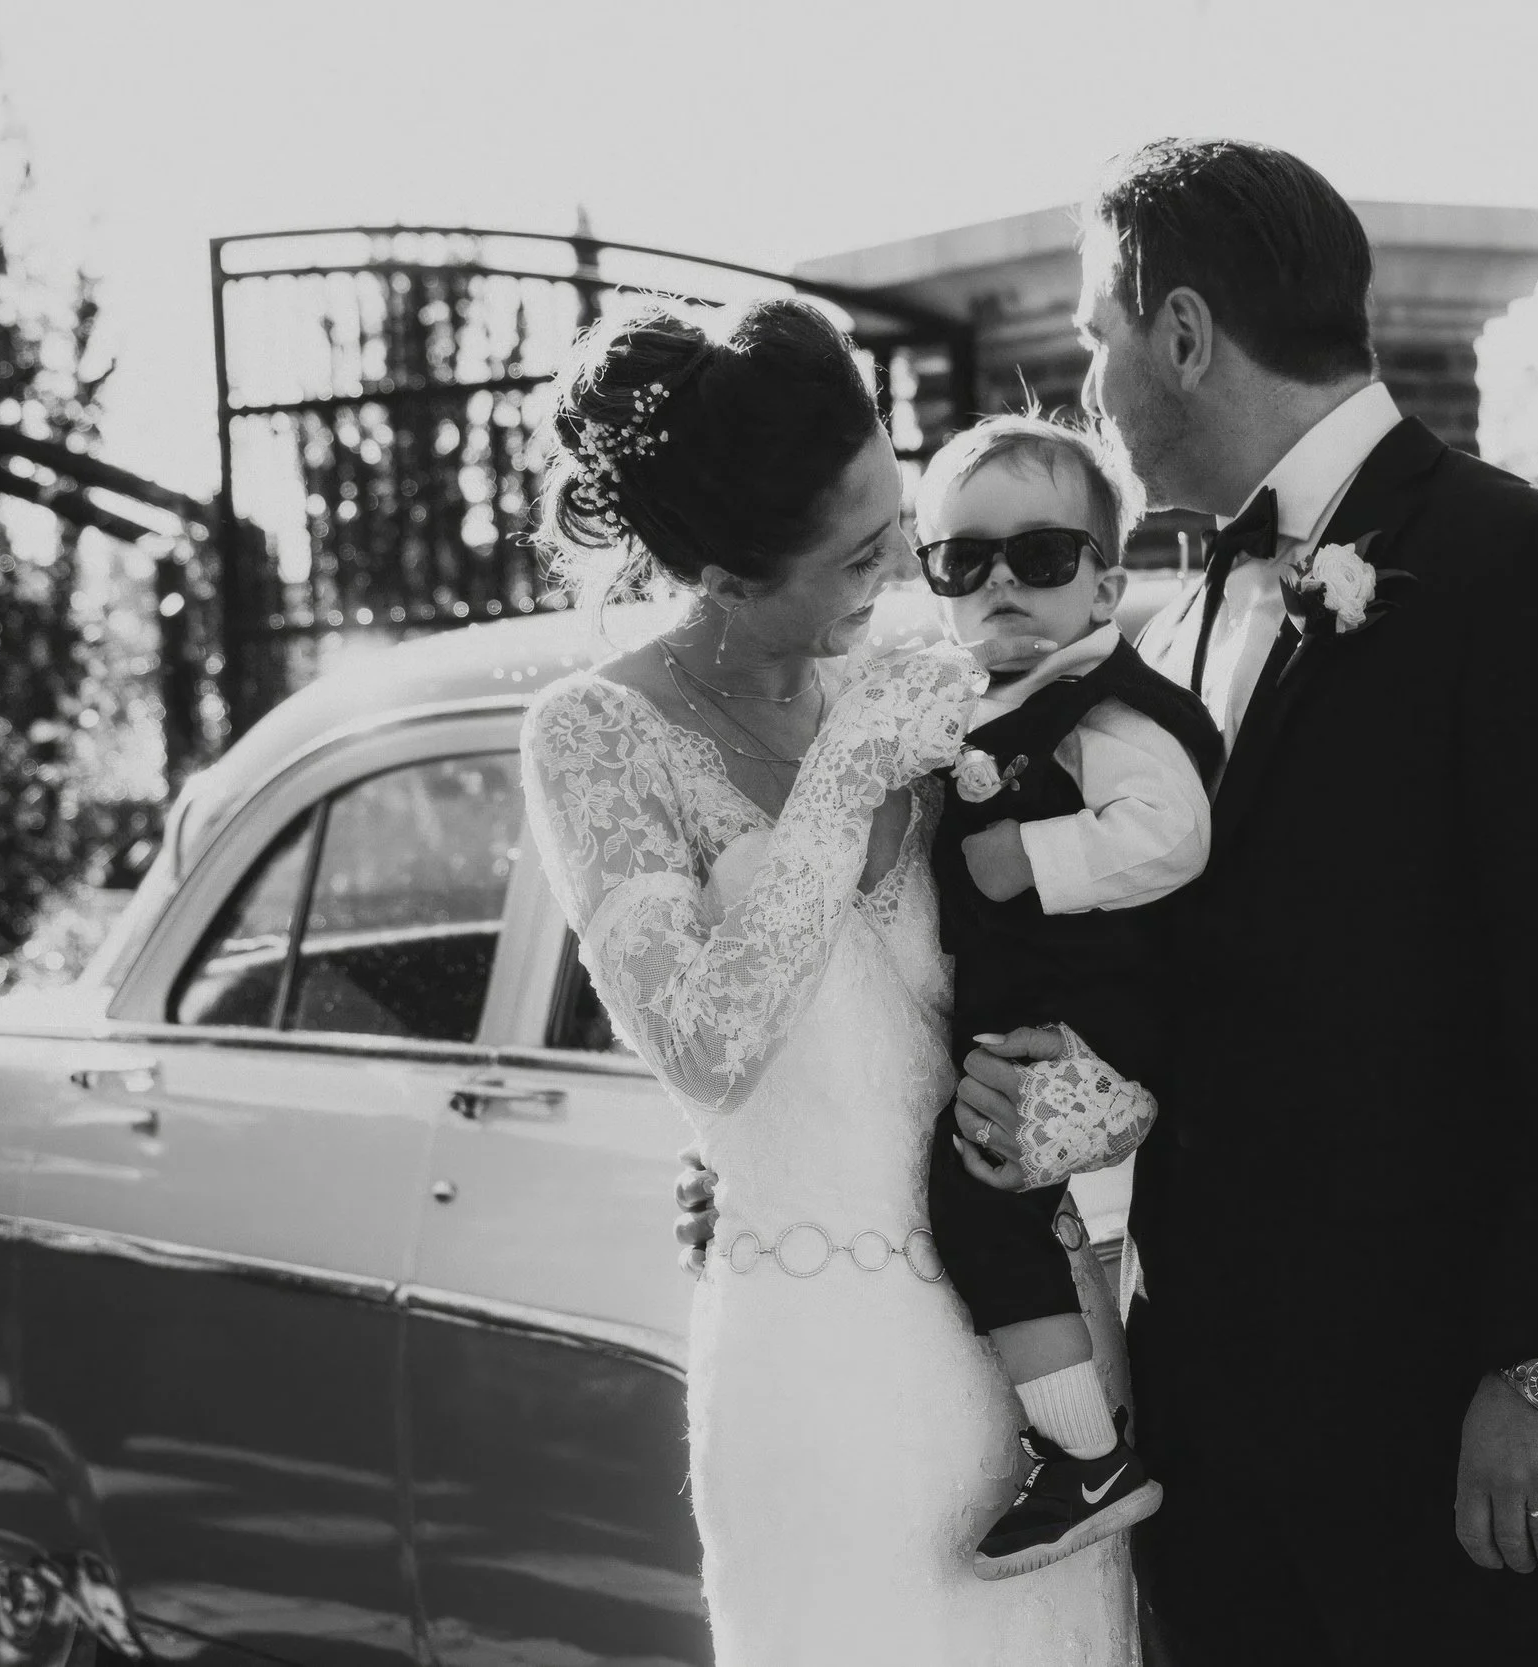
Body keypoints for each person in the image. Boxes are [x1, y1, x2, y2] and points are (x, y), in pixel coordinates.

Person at [945, 139, 1538, 1662]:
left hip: (1442, 1430)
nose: (1089, 383)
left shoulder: (1520, 565)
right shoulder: (1164, 619)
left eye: (1099, 337)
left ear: (1181, 332)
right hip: (1216, 1434)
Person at [519, 297, 1148, 1666]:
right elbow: (708, 1045)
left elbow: (1096, 953)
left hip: (1030, 1355)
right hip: (816, 1370)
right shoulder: (595, 735)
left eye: (897, 536)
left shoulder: (936, 692)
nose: (901, 585)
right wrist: (848, 772)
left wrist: (1107, 1099)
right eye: (862, 555)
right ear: (735, 573)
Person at [911, 414, 1222, 1578]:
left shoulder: (1102, 707)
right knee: (988, 1198)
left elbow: (1174, 833)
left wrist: (1027, 856)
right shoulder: (991, 704)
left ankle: (1085, 1454)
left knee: (972, 1195)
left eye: (1039, 557)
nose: (1001, 583)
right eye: (963, 560)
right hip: (1047, 1030)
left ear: (1105, 581)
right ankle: (1080, 1437)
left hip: (1099, 1031)